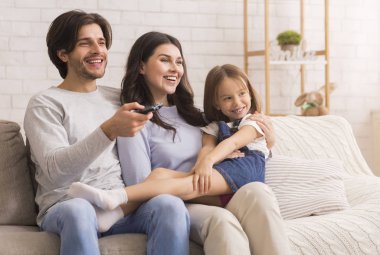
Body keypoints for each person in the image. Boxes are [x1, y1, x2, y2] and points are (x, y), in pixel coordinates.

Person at [81, 31, 289, 255]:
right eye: (164, 60)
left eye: (179, 62)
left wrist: (269, 143)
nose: (175, 68)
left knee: (259, 191)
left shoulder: (197, 116)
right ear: (141, 67)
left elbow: (240, 153)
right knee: (222, 222)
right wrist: (206, 191)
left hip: (218, 191)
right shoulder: (135, 121)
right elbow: (143, 186)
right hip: (180, 204)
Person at [23, 10, 191, 255]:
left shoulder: (118, 98)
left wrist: (239, 122)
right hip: (66, 205)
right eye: (85, 43)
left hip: (121, 207)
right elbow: (55, 171)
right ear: (63, 54)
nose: (97, 50)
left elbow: (174, 120)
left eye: (101, 42)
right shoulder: (45, 103)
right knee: (79, 210)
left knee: (170, 205)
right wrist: (109, 130)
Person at [69, 63, 269, 211]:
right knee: (159, 175)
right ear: (217, 104)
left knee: (185, 185)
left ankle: (116, 197)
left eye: (242, 94)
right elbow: (206, 147)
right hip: (219, 184)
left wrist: (209, 161)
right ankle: (115, 215)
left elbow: (234, 142)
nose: (237, 102)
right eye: (227, 98)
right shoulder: (215, 125)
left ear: (250, 94)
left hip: (243, 176)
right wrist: (200, 166)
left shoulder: (254, 122)